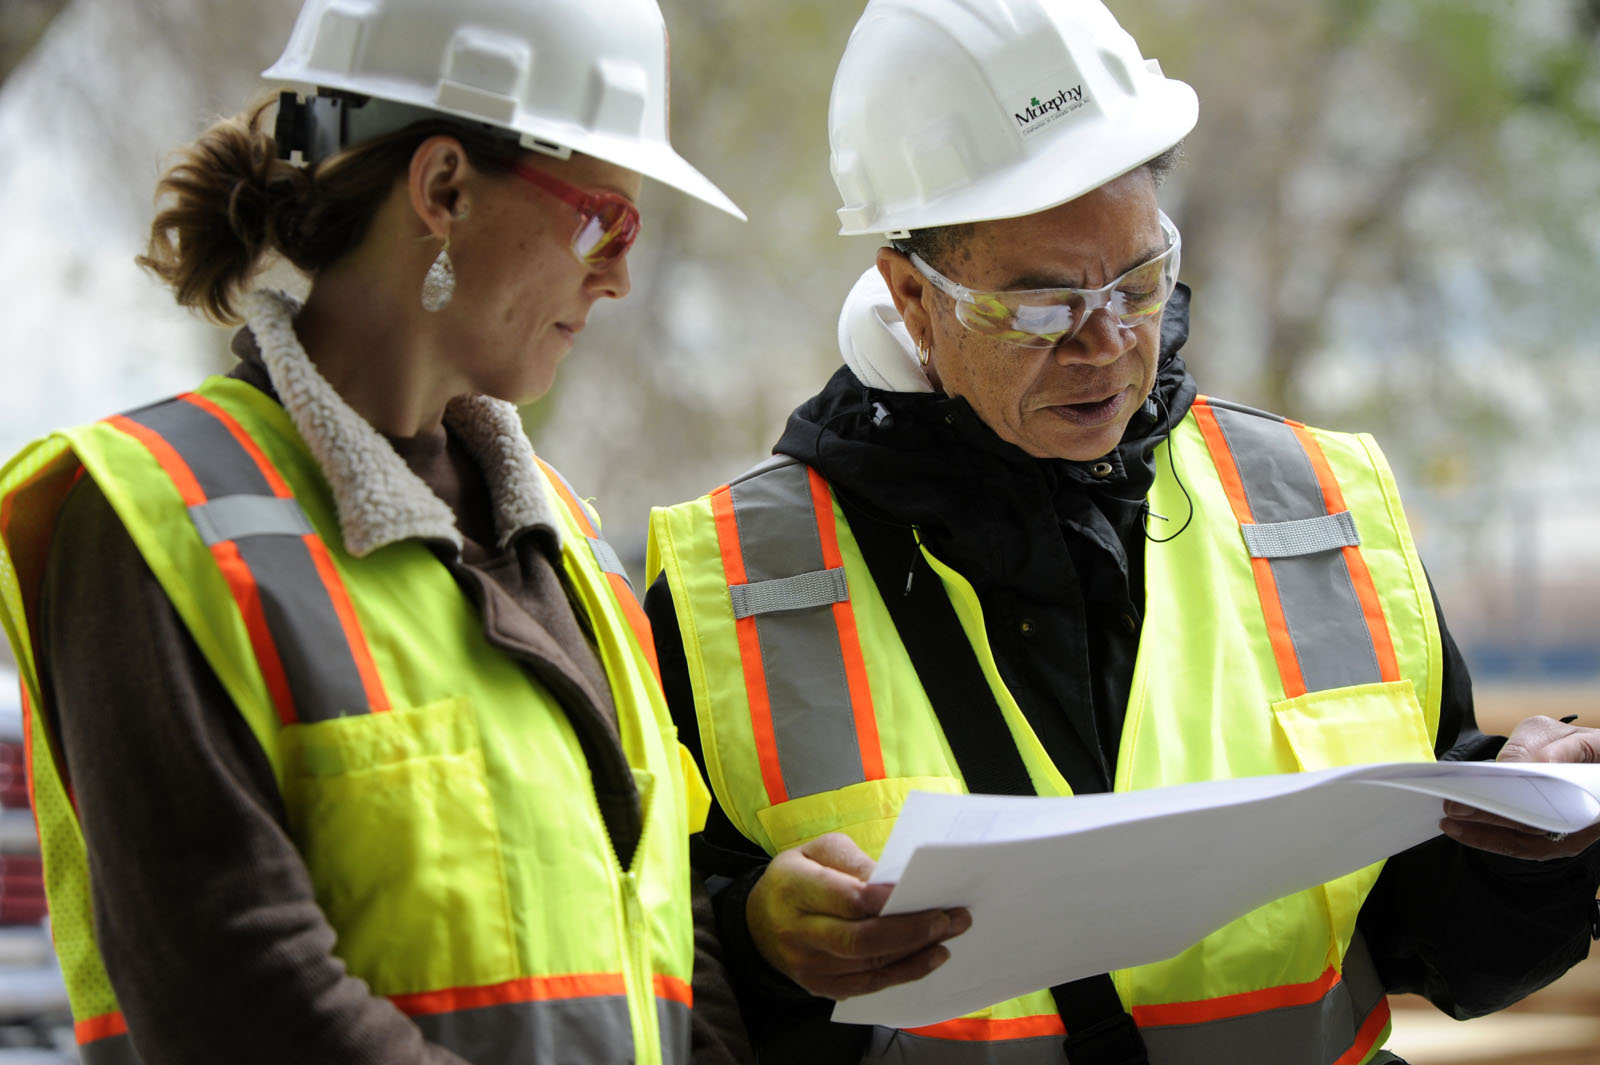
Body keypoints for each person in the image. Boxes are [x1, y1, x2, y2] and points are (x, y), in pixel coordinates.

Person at [642, 1, 1600, 1062]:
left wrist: (1532, 850)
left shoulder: (1321, 511)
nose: (1105, 343)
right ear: (910, 296)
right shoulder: (724, 585)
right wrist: (756, 942)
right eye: (1042, 304)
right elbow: (643, 985)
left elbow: (1442, 947)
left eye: (1137, 280)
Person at [0, 1, 754, 1063]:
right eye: (604, 222)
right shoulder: (151, 516)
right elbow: (242, 993)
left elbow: (667, 935)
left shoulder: (570, 542)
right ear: (443, 187)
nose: (620, 274)